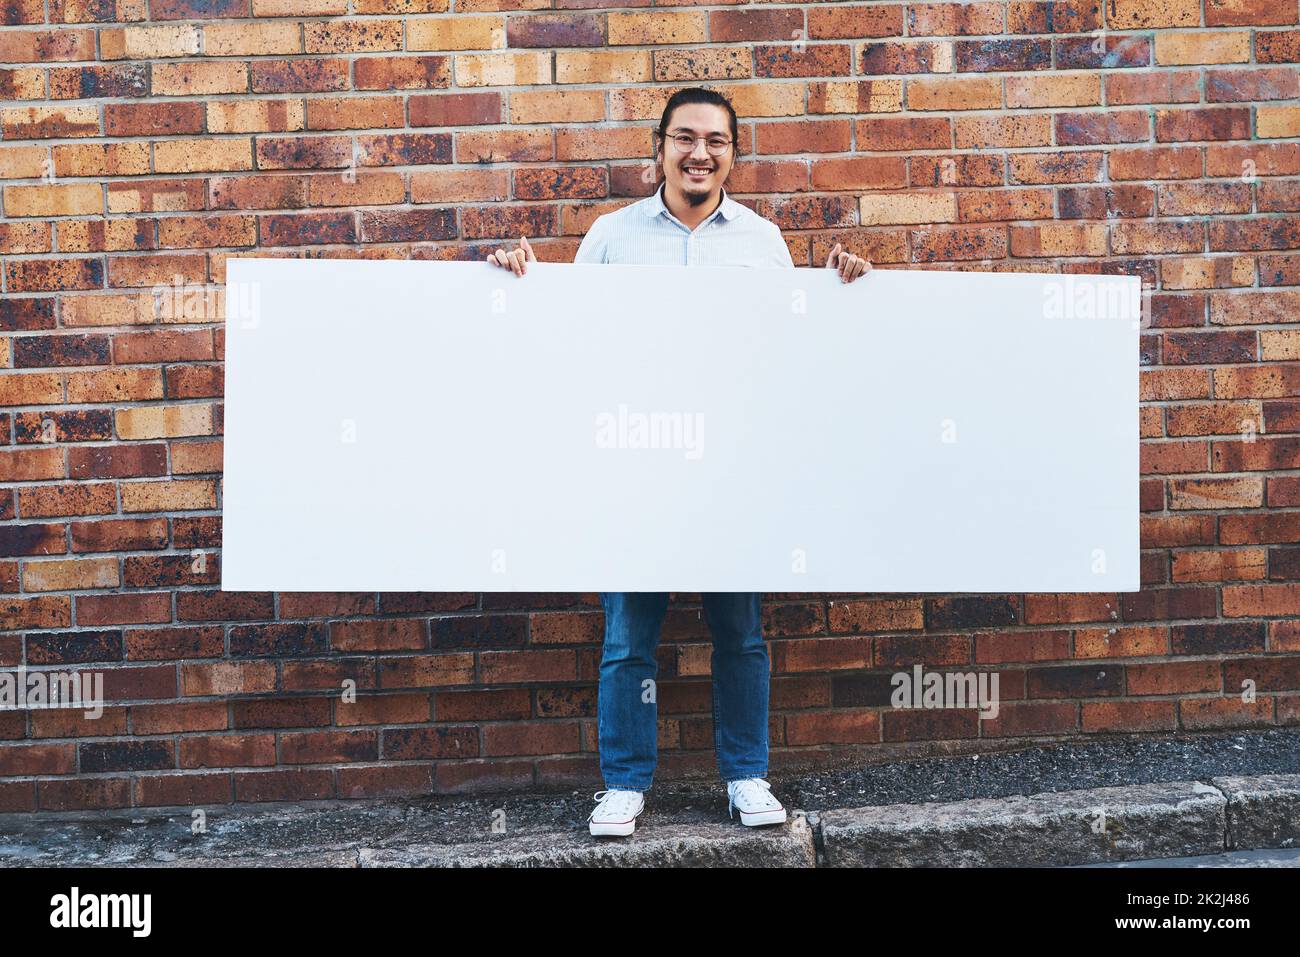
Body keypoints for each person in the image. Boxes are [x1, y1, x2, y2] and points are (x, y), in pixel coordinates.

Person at [486, 87, 871, 837]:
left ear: (733, 153)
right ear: (658, 148)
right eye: (685, 137)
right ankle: (625, 784)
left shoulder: (762, 243)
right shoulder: (611, 236)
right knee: (629, 634)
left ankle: (746, 775)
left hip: (733, 469)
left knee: (741, 630)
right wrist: (521, 282)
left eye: (716, 140)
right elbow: (569, 341)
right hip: (636, 460)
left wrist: (840, 293)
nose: (700, 152)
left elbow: (790, 355)